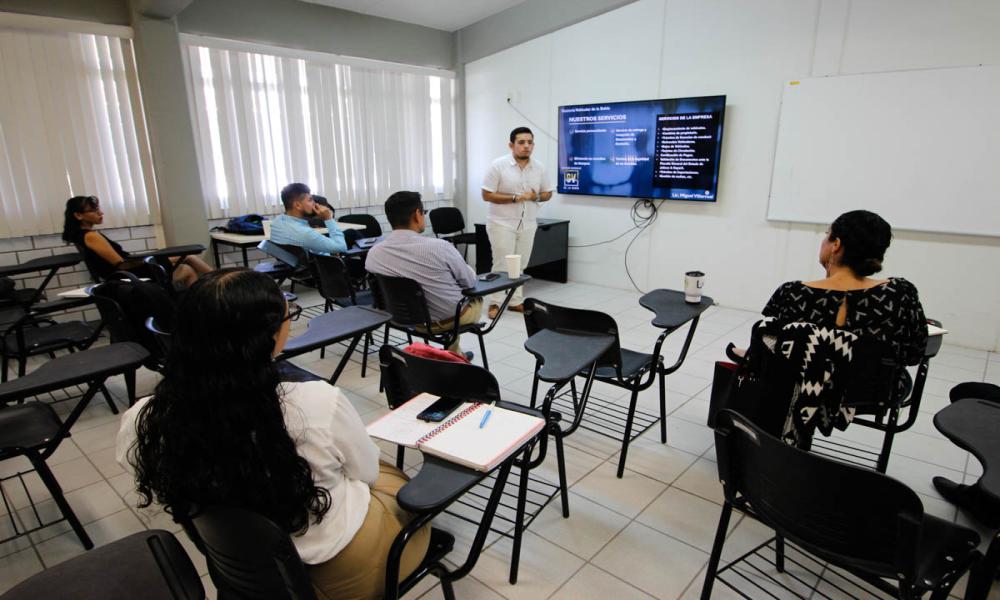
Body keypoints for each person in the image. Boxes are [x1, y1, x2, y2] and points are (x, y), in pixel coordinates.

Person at [115, 269, 430, 599]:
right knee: (383, 471)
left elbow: (136, 464)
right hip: (342, 569)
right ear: (268, 334)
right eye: (288, 315)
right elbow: (365, 474)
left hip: (247, 571)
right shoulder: (315, 403)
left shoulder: (143, 419)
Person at [762, 210, 927, 370]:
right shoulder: (900, 293)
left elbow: (767, 351)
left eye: (827, 234)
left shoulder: (793, 293)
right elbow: (913, 355)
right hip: (874, 395)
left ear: (836, 244)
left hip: (800, 395)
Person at [365, 191, 480, 356]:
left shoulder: (374, 254)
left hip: (402, 318)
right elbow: (469, 283)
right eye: (424, 212)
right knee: (473, 296)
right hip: (448, 319)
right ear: (417, 215)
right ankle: (454, 357)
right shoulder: (440, 247)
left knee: (441, 293)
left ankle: (454, 356)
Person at [481, 126, 554, 319]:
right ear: (511, 145)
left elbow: (547, 193)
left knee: (521, 264)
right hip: (501, 223)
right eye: (521, 142)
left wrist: (535, 195)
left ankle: (515, 301)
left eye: (529, 142)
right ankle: (495, 302)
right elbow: (486, 194)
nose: (526, 146)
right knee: (501, 265)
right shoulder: (498, 165)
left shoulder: (539, 167)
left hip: (528, 223)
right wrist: (515, 198)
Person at [62, 195, 212, 287]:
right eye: (94, 211)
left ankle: (223, 279)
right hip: (126, 275)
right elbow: (121, 264)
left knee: (189, 257)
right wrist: (149, 259)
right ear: (79, 215)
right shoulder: (90, 236)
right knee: (187, 269)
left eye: (99, 209)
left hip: (128, 270)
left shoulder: (80, 235)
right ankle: (214, 291)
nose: (100, 213)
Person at [270, 183, 349, 255]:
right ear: (297, 205)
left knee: (350, 233)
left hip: (298, 265)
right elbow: (341, 247)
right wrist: (328, 218)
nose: (315, 204)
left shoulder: (277, 221)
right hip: (322, 267)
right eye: (310, 200)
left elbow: (309, 245)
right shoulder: (303, 233)